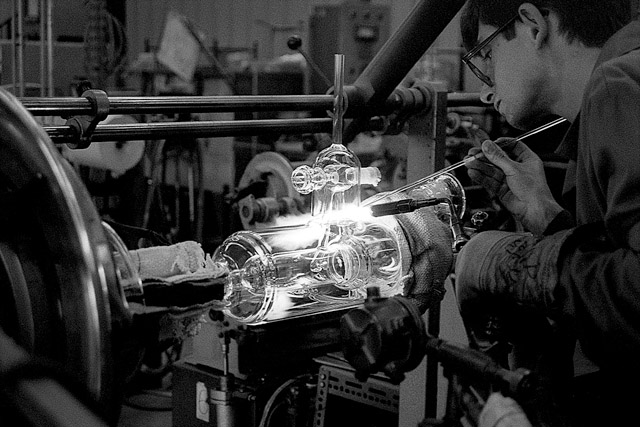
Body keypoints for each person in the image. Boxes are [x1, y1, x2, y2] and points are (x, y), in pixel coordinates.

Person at [452, 0, 640, 425]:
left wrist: (514, 264)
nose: (485, 89)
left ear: (533, 25)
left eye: (486, 57)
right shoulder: (612, 94)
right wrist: (549, 220)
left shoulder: (618, 86)